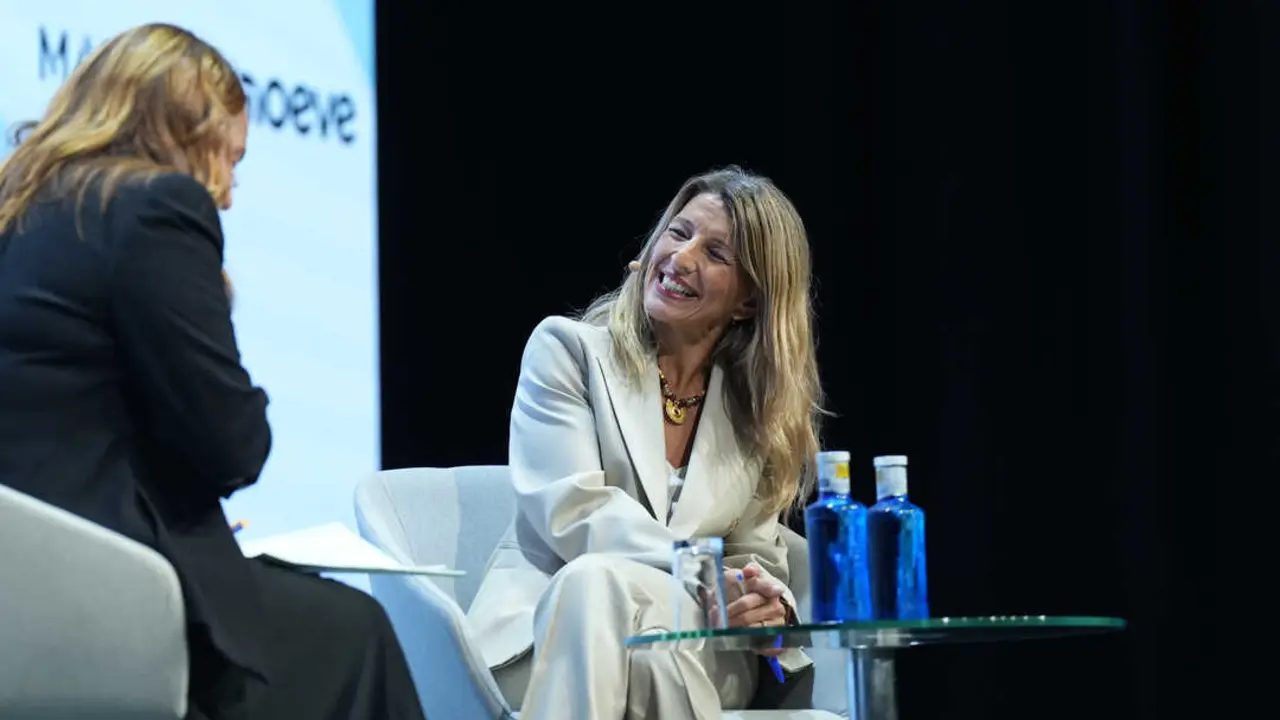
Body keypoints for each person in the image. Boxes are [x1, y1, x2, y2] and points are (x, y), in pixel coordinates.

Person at [0, 24, 424, 720]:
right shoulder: (153, 207)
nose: (228, 191)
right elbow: (232, 446)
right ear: (183, 131)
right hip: (103, 589)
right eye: (230, 156)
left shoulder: (23, 208)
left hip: (22, 577)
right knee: (357, 633)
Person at [466, 166, 825, 718]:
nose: (681, 257)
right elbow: (574, 513)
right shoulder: (568, 351)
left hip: (703, 645)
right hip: (550, 634)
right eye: (678, 233)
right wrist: (702, 573)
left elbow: (756, 556)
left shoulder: (752, 413)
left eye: (715, 253)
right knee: (598, 590)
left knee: (625, 616)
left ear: (749, 303)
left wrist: (762, 603)